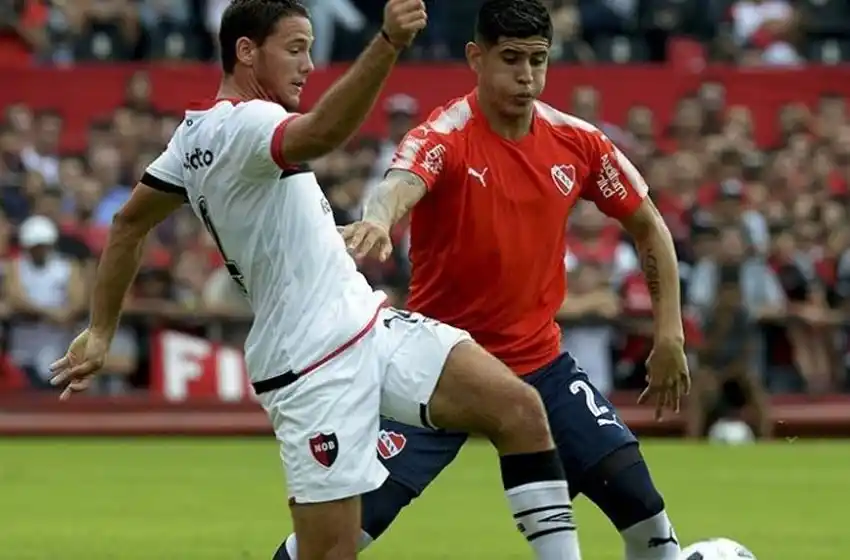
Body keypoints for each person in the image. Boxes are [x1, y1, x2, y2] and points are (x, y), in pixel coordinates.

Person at [48, 1, 584, 559]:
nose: (309, 65)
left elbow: (128, 223)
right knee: (329, 553)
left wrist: (101, 330)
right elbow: (324, 132)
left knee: (519, 411)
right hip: (311, 363)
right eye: (296, 49)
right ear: (246, 51)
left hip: (368, 325)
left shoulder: (193, 137)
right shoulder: (249, 123)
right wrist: (387, 44)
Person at [277, 0, 690, 559]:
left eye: (537, 60)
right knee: (340, 536)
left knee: (646, 513)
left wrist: (669, 335)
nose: (526, 76)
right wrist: (379, 218)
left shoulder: (579, 142)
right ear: (476, 57)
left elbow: (651, 228)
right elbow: (401, 181)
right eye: (511, 59)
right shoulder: (446, 133)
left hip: (539, 365)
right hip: (438, 368)